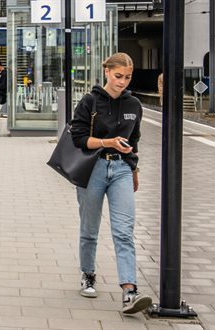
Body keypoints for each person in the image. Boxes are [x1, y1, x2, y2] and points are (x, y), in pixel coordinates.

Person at [69, 52, 152, 314]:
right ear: (107, 72)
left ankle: (129, 291)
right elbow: (79, 138)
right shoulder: (90, 101)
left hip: (122, 170)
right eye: (118, 76)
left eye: (127, 77)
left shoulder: (134, 105)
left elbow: (134, 139)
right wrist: (108, 142)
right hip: (93, 168)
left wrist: (134, 168)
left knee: (124, 230)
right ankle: (88, 274)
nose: (122, 82)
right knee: (90, 228)